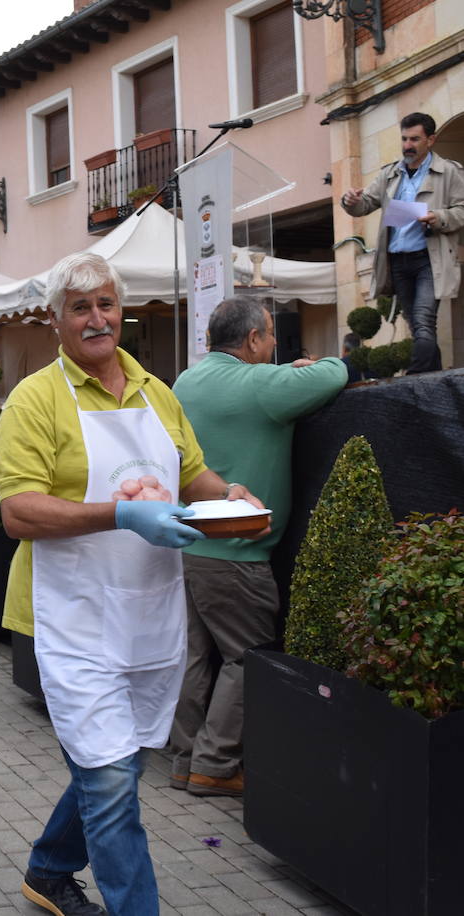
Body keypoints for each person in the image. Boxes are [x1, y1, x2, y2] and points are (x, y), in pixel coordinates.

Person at [0, 253, 265, 916]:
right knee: (113, 777)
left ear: (122, 312)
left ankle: (49, 869)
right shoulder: (35, 400)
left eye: (106, 304)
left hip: (146, 611)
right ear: (55, 320)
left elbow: (191, 471)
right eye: (80, 307)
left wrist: (229, 497)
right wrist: (121, 512)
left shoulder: (155, 391)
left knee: (111, 767)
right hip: (70, 619)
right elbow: (18, 511)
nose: (96, 318)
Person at [170, 299, 347, 798]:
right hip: (240, 557)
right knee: (247, 658)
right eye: (270, 337)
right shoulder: (262, 386)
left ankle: (185, 760)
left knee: (196, 657)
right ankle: (215, 764)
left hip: (194, 544)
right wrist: (309, 365)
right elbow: (335, 373)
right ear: (251, 341)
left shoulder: (188, 381)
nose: (274, 347)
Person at [340, 112, 464, 374]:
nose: (407, 145)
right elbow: (364, 204)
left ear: (430, 140)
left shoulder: (449, 171)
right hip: (398, 259)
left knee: (422, 320)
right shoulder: (390, 173)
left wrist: (438, 217)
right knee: (418, 325)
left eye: (414, 139)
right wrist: (349, 201)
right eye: (404, 139)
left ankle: (415, 377)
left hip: (429, 259)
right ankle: (435, 380)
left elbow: (462, 210)